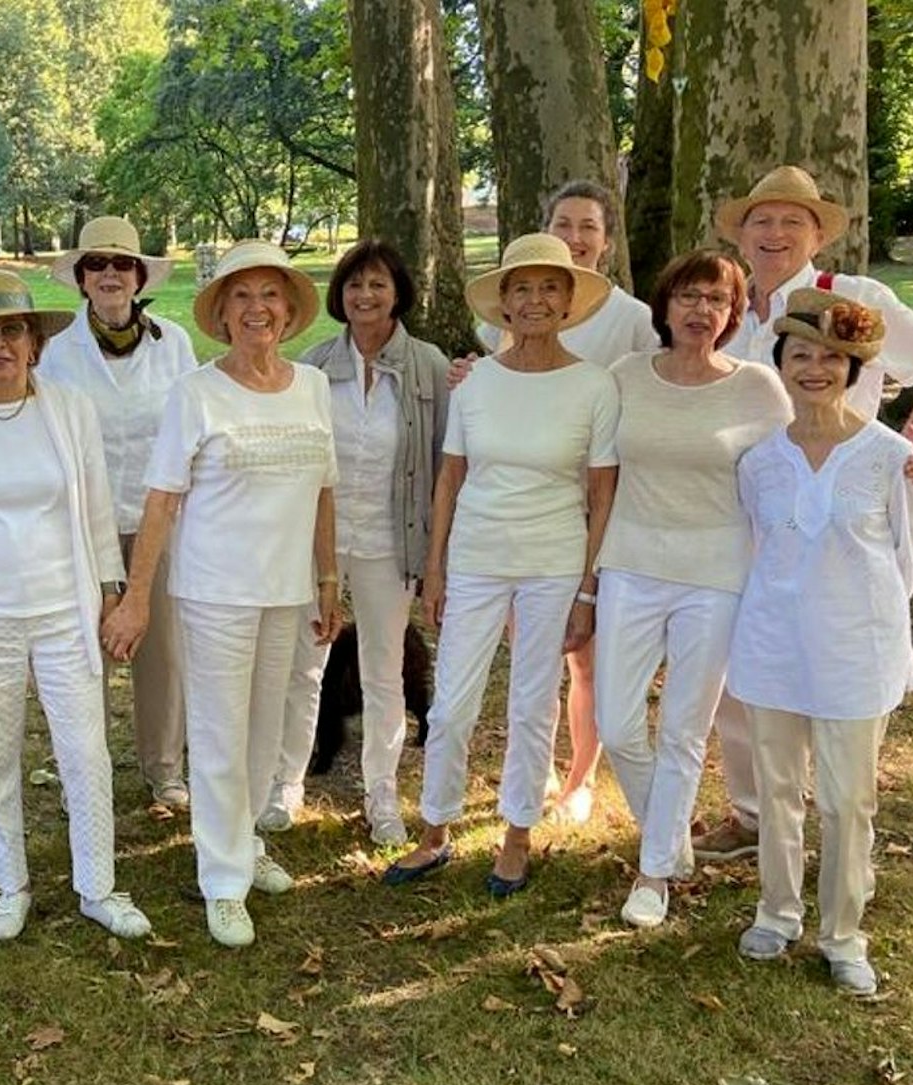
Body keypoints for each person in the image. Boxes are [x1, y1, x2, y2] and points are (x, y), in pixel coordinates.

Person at [696, 164, 913, 863]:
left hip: (836, 511)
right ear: (742, 233)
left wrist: (907, 449)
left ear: (816, 233)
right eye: (761, 220)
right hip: (745, 510)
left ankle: (839, 809)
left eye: (792, 221)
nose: (775, 233)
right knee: (742, 656)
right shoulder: (725, 313)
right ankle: (755, 812)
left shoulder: (850, 297)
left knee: (837, 648)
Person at [102, 240, 341, 948]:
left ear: (290, 309)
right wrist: (137, 596)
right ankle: (222, 880)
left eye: (268, 294)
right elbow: (160, 502)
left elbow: (325, 490)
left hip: (286, 590)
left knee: (265, 728)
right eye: (240, 297)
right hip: (213, 592)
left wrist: (328, 581)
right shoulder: (196, 393)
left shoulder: (312, 387)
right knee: (216, 735)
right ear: (221, 314)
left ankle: (244, 844)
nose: (255, 309)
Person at [0, 270, 152, 943]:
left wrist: (110, 593)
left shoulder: (69, 410)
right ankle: (8, 882)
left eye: (10, 330)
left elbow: (97, 512)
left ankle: (97, 884)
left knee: (84, 750)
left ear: (33, 342)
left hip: (62, 610)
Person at [384, 233, 618, 898]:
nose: (534, 300)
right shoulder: (476, 381)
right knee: (452, 703)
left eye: (549, 287)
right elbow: (449, 478)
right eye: (521, 288)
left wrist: (587, 589)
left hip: (552, 559)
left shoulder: (593, 386)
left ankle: (517, 833)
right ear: (504, 304)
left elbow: (601, 494)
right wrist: (435, 567)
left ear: (568, 300)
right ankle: (435, 828)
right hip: (476, 557)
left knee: (530, 704)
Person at [731, 289, 913, 998]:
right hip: (772, 642)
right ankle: (776, 911)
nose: (814, 369)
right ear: (780, 364)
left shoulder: (891, 457)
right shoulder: (758, 461)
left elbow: (906, 559)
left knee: (847, 801)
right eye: (800, 356)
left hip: (854, 648)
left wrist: (863, 620)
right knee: (777, 791)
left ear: (854, 369)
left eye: (830, 358)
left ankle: (842, 932)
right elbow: (756, 545)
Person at [592, 249, 790, 929]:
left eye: (716, 300)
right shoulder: (623, 377)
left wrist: (900, 463)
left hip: (716, 574)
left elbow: (801, 463)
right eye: (688, 297)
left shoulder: (758, 388)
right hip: (630, 562)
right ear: (664, 305)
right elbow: (586, 455)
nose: (700, 311)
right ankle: (671, 839)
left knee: (682, 729)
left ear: (733, 315)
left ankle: (652, 877)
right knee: (617, 724)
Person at [468, 181, 655, 826]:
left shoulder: (631, 319)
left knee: (583, 651)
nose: (576, 237)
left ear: (607, 239)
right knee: (531, 647)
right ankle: (535, 762)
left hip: (593, 501)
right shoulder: (515, 308)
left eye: (588, 227)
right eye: (564, 223)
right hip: (526, 508)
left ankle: (581, 775)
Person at [271, 238, 450, 846]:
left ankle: (381, 793)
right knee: (306, 663)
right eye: (353, 285)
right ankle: (287, 783)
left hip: (391, 542)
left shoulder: (427, 365)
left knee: (383, 670)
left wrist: (435, 556)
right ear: (338, 296)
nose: (365, 296)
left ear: (398, 291)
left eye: (377, 284)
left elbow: (443, 462)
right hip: (321, 540)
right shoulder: (317, 366)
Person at [39, 215, 200, 809]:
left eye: (121, 265)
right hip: (82, 527)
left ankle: (164, 769)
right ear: (82, 279)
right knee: (84, 656)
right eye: (98, 266)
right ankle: (86, 774)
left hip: (160, 522)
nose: (110, 275)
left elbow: (191, 432)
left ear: (138, 276)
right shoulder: (55, 352)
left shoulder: (174, 343)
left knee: (163, 653)